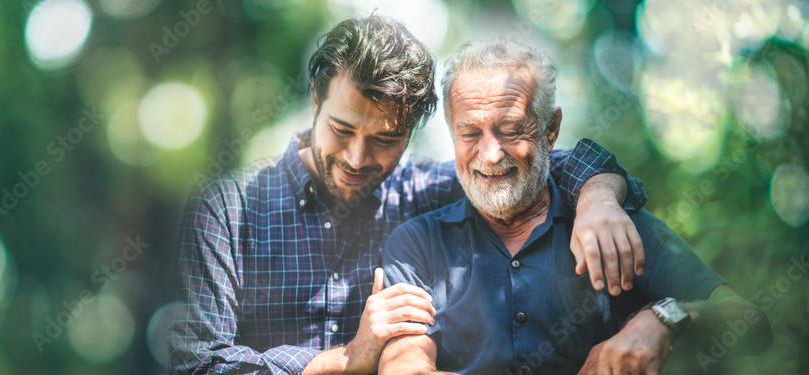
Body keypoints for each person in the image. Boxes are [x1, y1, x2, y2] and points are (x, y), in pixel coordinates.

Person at [170, 16, 648, 374]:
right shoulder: (227, 210)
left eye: (385, 140)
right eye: (341, 129)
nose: (358, 158)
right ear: (316, 102)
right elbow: (197, 364)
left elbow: (533, 163)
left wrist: (599, 198)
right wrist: (343, 359)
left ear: (414, 133)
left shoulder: (425, 191)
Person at [378, 38, 773, 375]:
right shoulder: (417, 243)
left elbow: (751, 323)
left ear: (551, 130)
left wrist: (663, 317)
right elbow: (403, 364)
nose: (491, 153)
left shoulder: (612, 225)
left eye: (512, 130)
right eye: (469, 133)